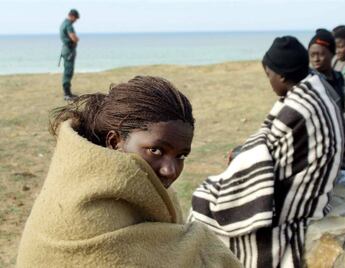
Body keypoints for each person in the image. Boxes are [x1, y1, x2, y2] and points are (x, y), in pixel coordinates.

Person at [16, 76, 242, 268]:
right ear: (115, 141)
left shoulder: (141, 188)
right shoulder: (82, 207)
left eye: (181, 155)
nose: (170, 170)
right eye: (156, 150)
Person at [189, 36, 344, 267]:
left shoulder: (299, 107)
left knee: (204, 202)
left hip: (304, 199)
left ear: (281, 76)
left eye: (268, 75)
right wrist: (246, 150)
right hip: (320, 185)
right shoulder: (313, 86)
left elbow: (269, 152)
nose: (269, 81)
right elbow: (274, 140)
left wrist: (243, 155)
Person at [308, 28, 345, 112]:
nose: (316, 59)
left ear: (332, 54)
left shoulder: (339, 77)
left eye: (321, 54)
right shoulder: (310, 80)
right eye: (312, 55)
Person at [59, 9, 80, 101]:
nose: (75, 21)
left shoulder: (64, 23)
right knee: (68, 72)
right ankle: (67, 94)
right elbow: (73, 37)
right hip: (69, 51)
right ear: (72, 16)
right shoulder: (68, 24)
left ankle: (68, 93)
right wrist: (77, 39)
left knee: (67, 71)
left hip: (66, 50)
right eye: (75, 18)